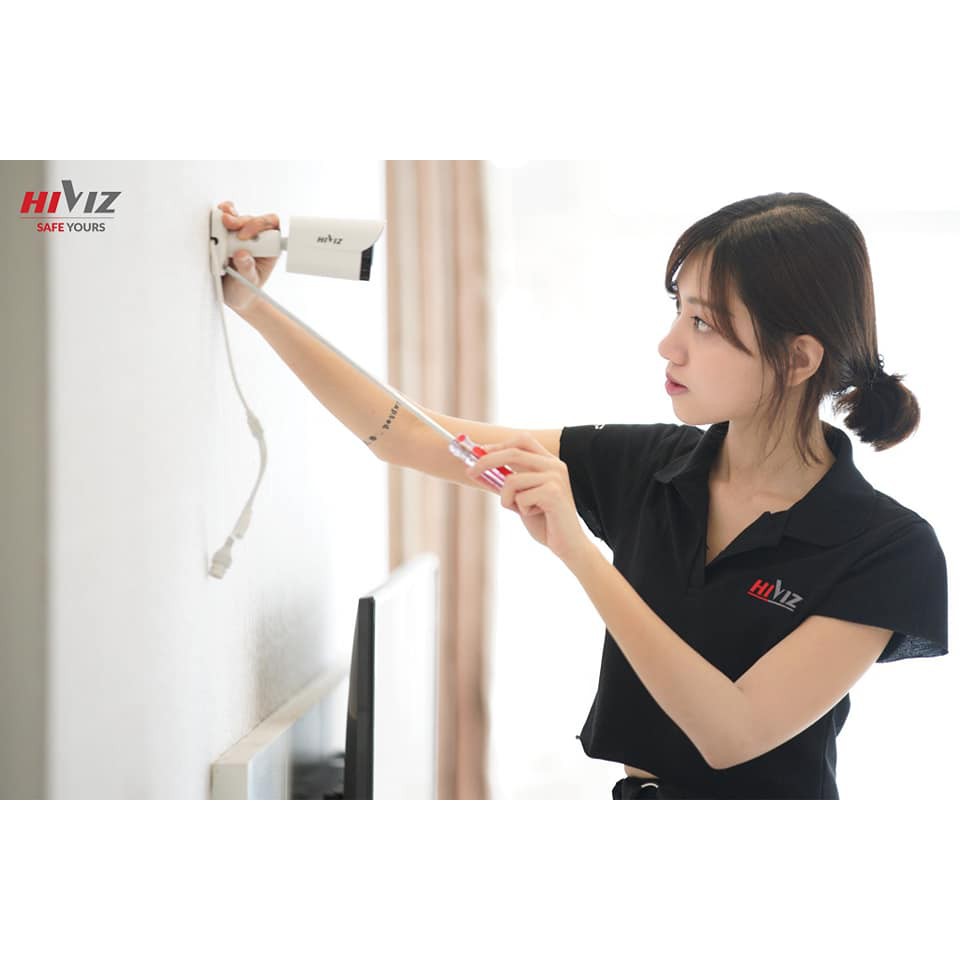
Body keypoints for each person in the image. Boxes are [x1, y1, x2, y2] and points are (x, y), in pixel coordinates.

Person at [215, 194, 948, 800]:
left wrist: (579, 551)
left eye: (703, 323)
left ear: (797, 358)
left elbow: (731, 734)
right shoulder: (647, 465)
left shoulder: (887, 548)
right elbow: (406, 435)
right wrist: (254, 302)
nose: (670, 345)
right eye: (678, 310)